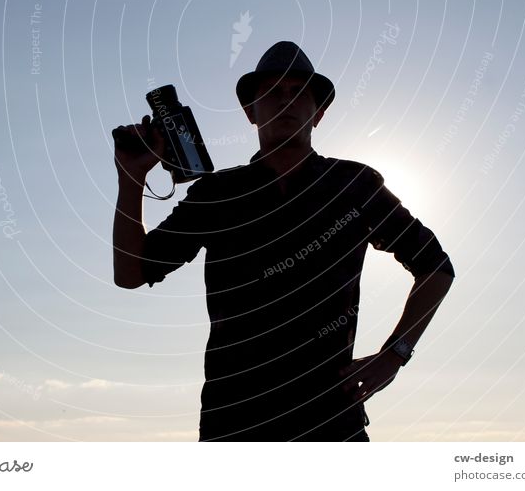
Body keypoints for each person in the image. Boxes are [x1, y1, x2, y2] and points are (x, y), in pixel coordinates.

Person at [112, 41, 455, 441]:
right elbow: (131, 272)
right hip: (236, 422)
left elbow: (436, 266)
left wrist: (394, 355)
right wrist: (130, 176)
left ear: (319, 112)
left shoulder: (354, 183)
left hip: (331, 422)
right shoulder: (217, 193)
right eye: (272, 92)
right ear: (250, 112)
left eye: (299, 93)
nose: (286, 101)